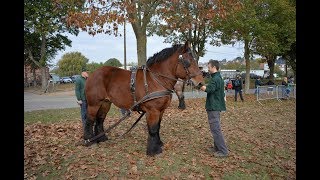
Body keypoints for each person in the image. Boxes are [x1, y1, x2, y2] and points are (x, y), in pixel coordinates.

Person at [199, 60, 228, 158]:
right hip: (215, 106)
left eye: (209, 67)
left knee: (216, 129)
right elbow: (211, 87)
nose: (208, 69)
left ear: (214, 67)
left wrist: (199, 85)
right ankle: (217, 147)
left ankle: (223, 151)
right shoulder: (217, 77)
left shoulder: (216, 79)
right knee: (215, 128)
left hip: (214, 107)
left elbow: (208, 89)